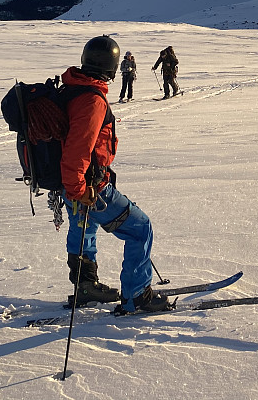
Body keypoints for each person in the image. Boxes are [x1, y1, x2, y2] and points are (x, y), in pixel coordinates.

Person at [60, 35, 170, 313]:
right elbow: (77, 150)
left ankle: (86, 287)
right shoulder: (91, 101)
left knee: (83, 227)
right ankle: (136, 296)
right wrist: (80, 189)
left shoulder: (69, 89)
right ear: (112, 66)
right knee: (140, 229)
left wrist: (73, 187)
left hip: (69, 182)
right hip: (88, 186)